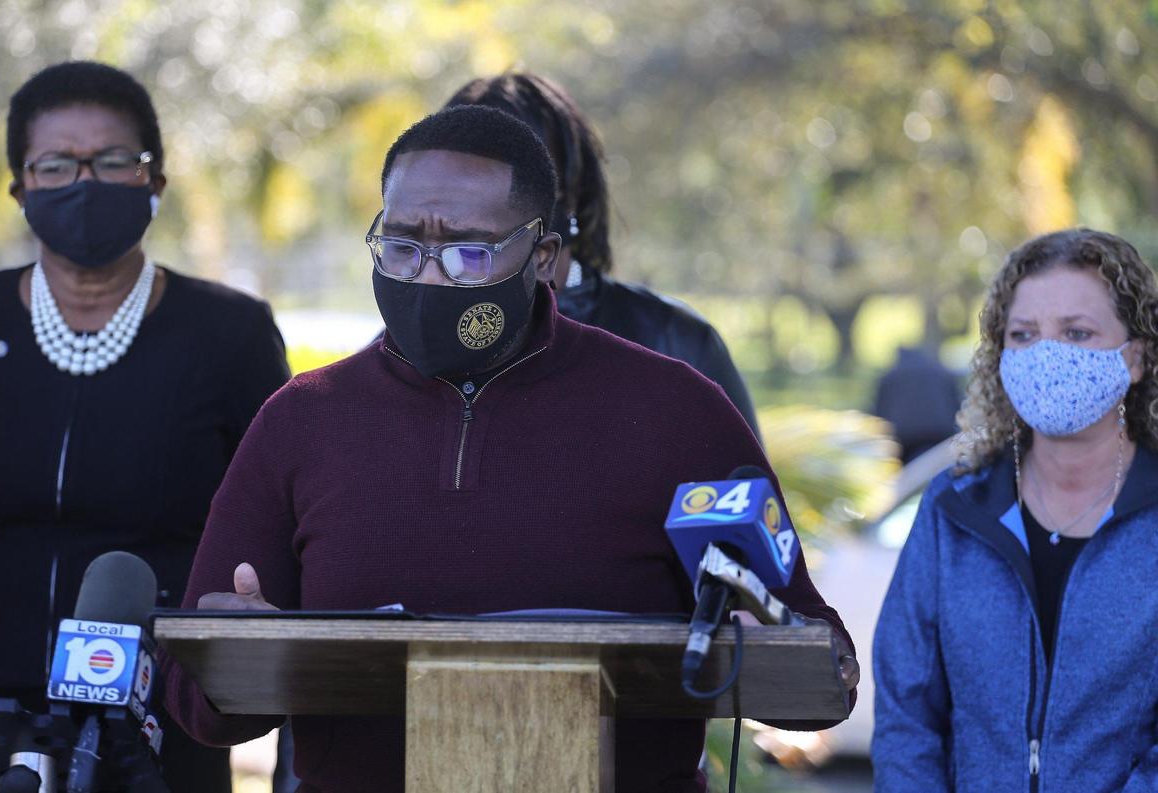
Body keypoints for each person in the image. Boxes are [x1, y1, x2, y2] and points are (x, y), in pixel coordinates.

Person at [162, 105, 856, 793]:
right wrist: (237, 653)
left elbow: (821, 676)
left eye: (468, 251)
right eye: (402, 245)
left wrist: (758, 629)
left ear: (545, 258)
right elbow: (196, 706)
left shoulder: (674, 409)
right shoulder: (302, 421)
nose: (429, 277)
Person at [0, 61, 290, 791]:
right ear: (20, 187)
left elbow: (272, 521)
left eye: (114, 161)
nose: (86, 182)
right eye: (56, 164)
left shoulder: (228, 333)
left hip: (159, 731)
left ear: (156, 182)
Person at [872, 228, 1158, 792]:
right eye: (1023, 335)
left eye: (1077, 332)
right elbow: (906, 713)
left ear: (1137, 358)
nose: (1048, 354)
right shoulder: (954, 508)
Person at [445, 73, 761, 440]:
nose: (482, 209)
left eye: (516, 180)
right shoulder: (407, 350)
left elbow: (742, 490)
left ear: (573, 192)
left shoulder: (673, 342)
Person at [872, 345, 963, 462]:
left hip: (906, 439)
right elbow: (956, 405)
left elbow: (880, 412)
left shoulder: (890, 376)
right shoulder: (942, 372)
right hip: (940, 435)